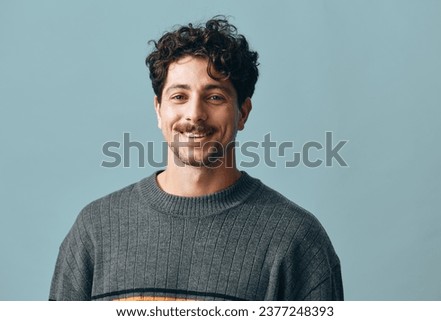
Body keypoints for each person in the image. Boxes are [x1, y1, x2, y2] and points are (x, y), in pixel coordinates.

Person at [49, 16, 343, 301]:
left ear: (242, 112)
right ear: (158, 109)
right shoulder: (95, 230)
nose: (194, 115)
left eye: (215, 97)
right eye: (179, 96)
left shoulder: (296, 239)